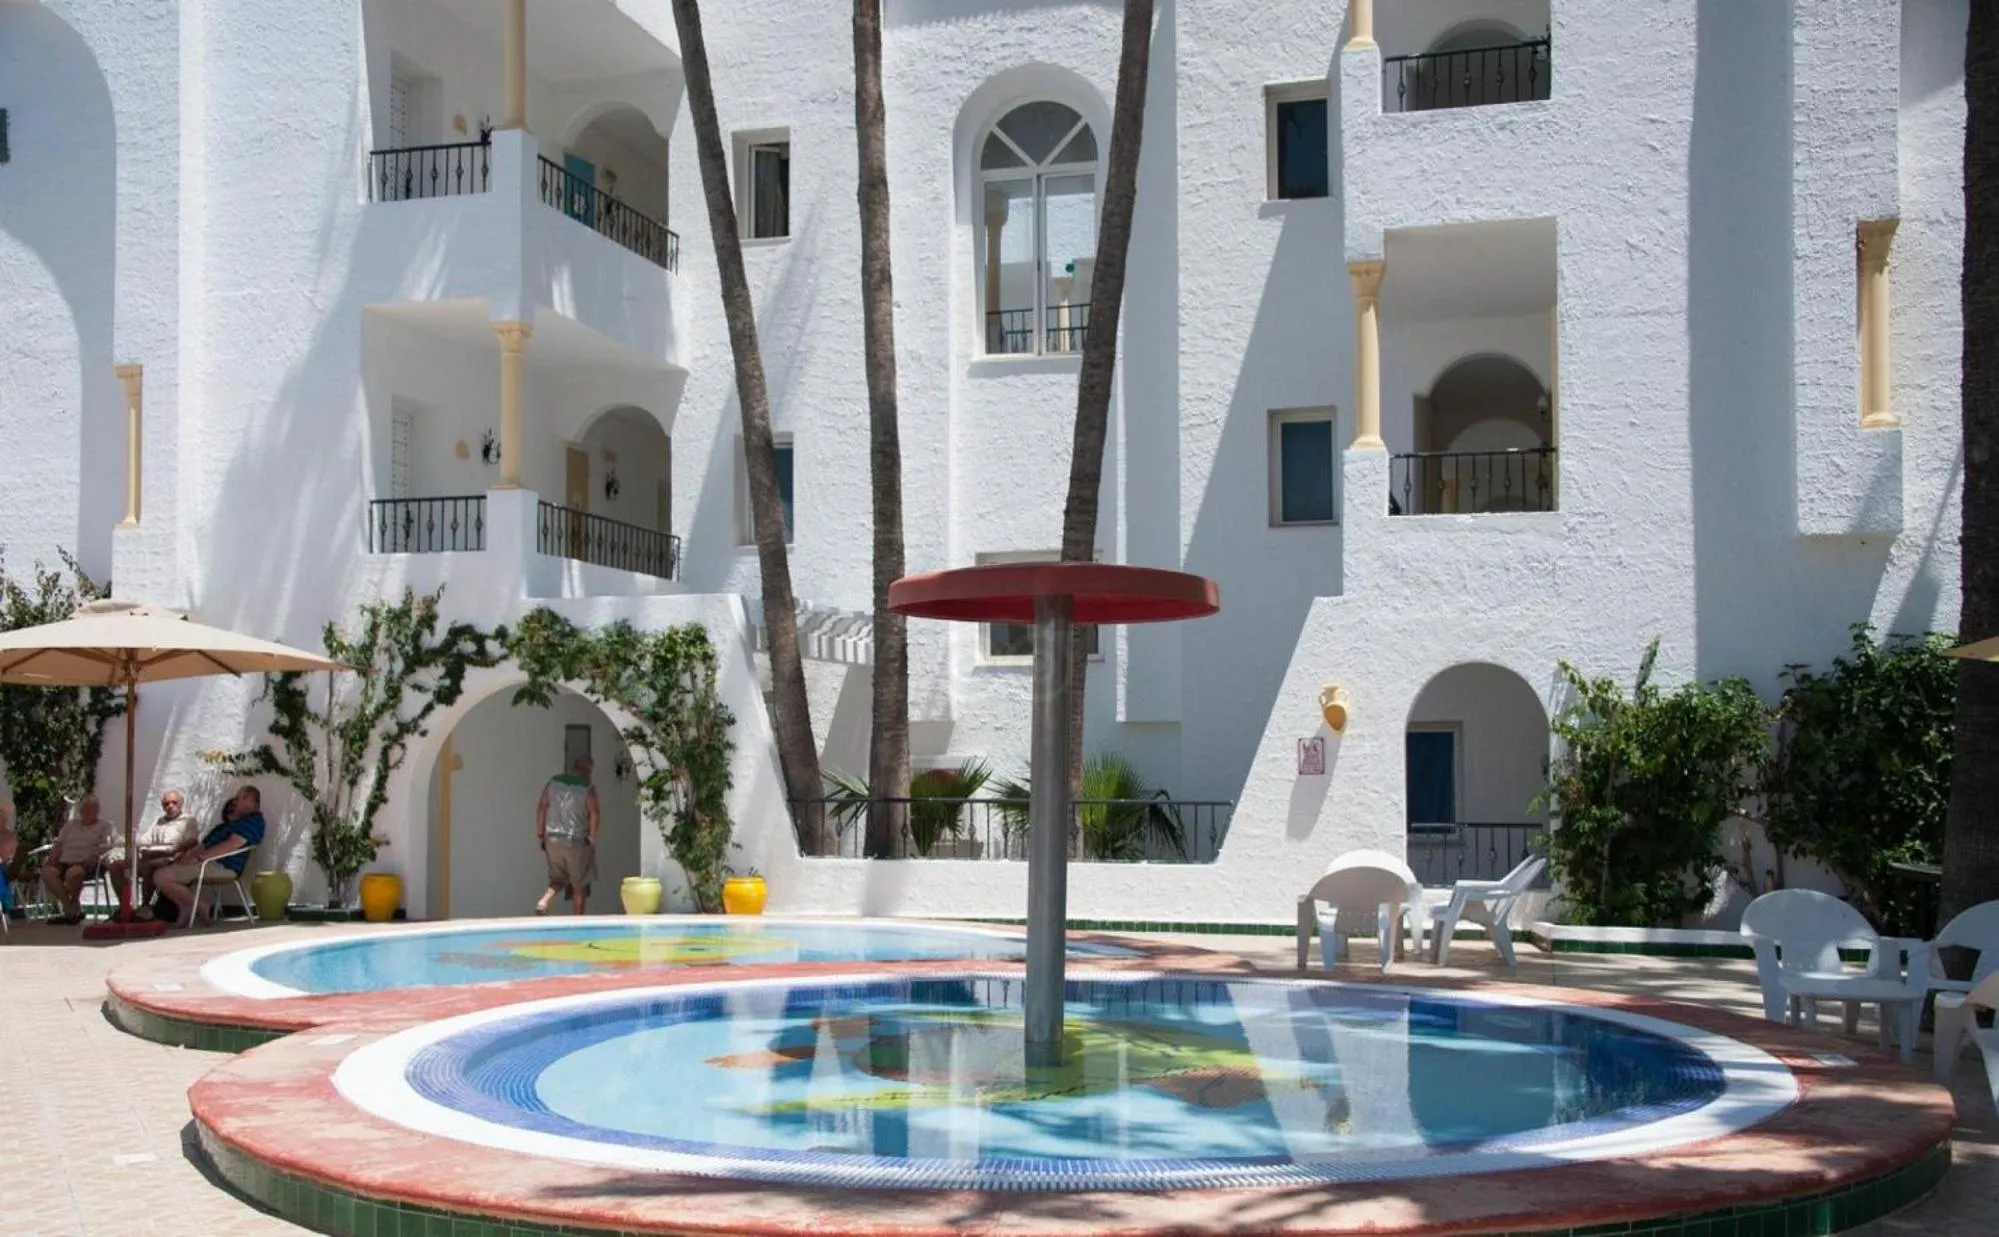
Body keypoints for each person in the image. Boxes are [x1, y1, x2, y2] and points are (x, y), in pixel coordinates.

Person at [149, 786, 267, 928]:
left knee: (161, 876)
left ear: (251, 801)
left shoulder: (253, 821)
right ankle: (185, 907)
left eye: (239, 798)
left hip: (222, 866)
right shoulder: (225, 827)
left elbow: (232, 845)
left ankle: (200, 905)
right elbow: (203, 846)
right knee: (161, 871)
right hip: (209, 862)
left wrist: (199, 858)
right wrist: (187, 857)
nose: (235, 803)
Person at [107, 789, 197, 909]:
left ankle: (145, 906)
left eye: (174, 802)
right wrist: (125, 840)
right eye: (166, 803)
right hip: (149, 857)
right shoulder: (159, 821)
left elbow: (191, 842)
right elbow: (145, 840)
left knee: (149, 865)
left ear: (181, 803)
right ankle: (124, 906)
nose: (170, 806)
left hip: (172, 860)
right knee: (116, 866)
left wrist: (162, 851)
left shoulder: (188, 821)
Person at [535, 755, 600, 915]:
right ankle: (577, 924)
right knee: (579, 886)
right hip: (575, 841)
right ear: (587, 771)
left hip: (553, 840)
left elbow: (542, 806)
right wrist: (592, 837)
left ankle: (543, 901)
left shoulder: (553, 782)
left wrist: (541, 834)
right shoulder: (587, 787)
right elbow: (595, 813)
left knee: (557, 879)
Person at [40, 794, 113, 925]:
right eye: (87, 809)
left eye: (94, 809)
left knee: (73, 874)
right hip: (63, 861)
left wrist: (94, 855)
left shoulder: (105, 826)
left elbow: (106, 845)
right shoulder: (70, 826)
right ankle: (69, 905)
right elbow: (59, 844)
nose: (91, 813)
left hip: (85, 863)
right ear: (81, 811)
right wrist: (51, 859)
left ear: (98, 810)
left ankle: (72, 906)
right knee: (47, 872)